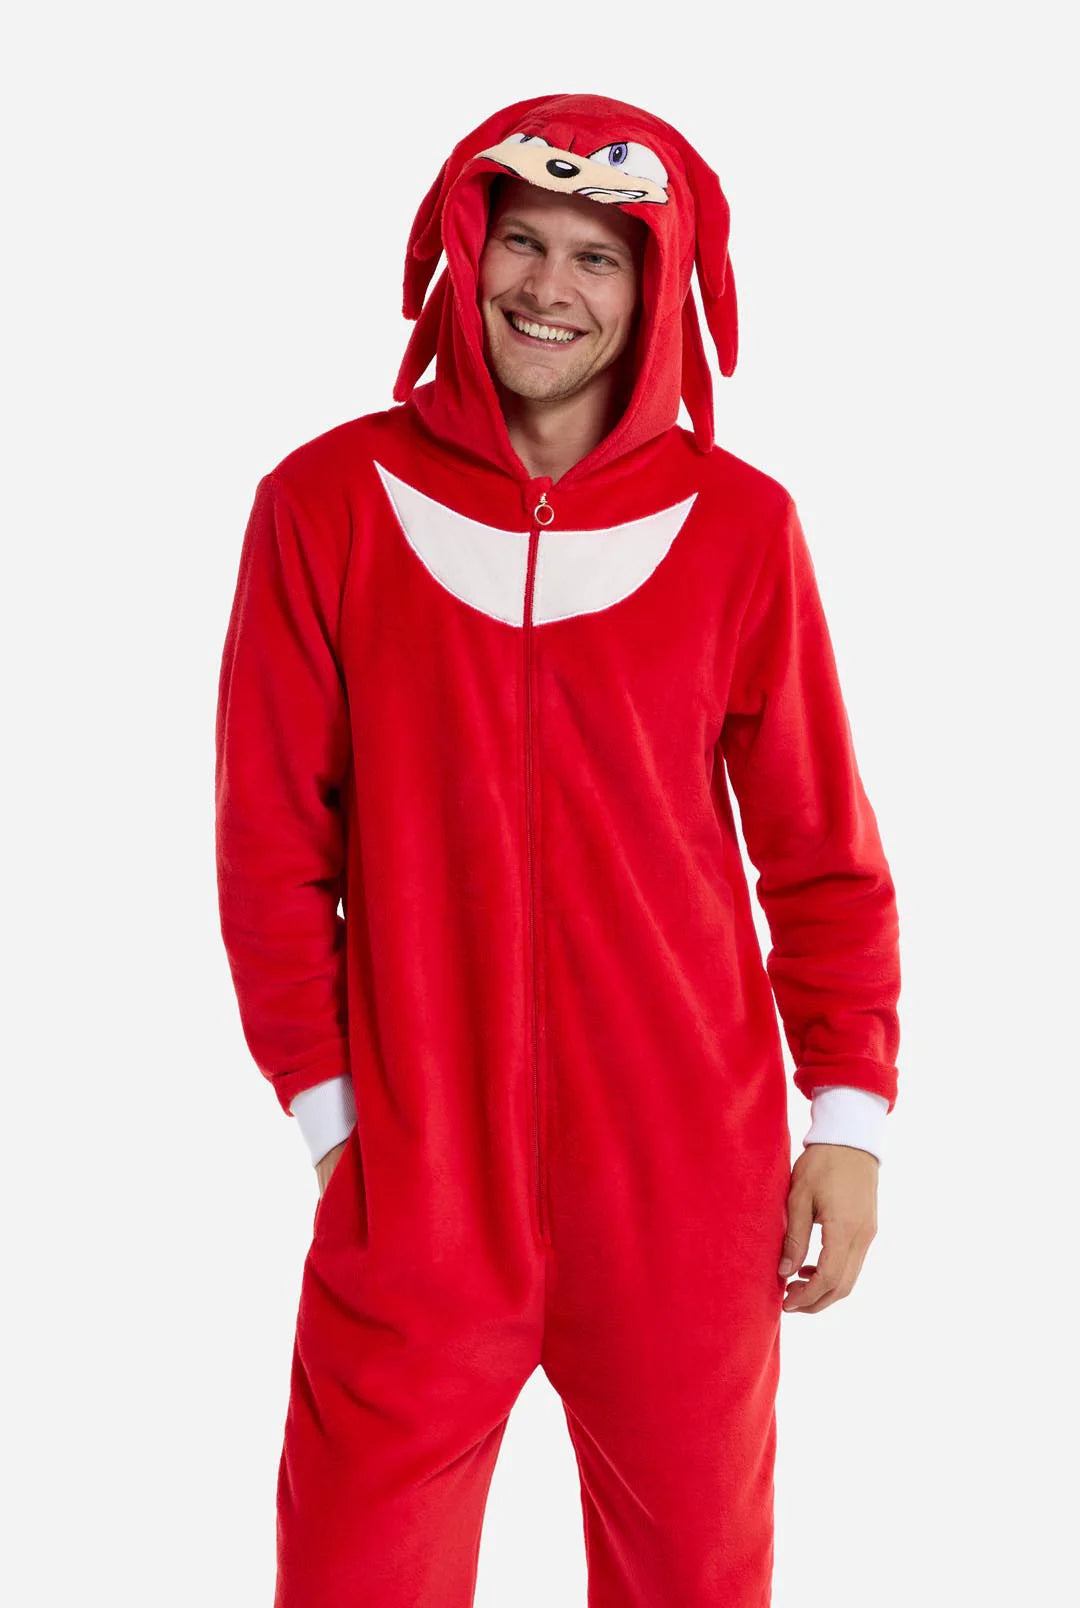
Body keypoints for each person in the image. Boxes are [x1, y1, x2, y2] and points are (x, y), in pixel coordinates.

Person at [215, 91, 902, 1608]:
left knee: (695, 1583)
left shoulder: (740, 529)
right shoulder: (326, 505)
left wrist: (848, 1121)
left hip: (685, 1180)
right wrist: (335, 1122)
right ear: (463, 254)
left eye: (600, 256)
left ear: (659, 290)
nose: (549, 287)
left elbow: (821, 854)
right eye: (523, 241)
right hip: (416, 1173)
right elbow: (271, 847)